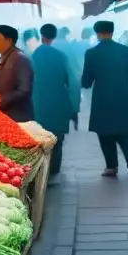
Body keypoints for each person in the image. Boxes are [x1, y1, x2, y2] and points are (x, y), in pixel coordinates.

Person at [82, 21, 128, 177]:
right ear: (112, 32)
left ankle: (111, 166)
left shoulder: (91, 53)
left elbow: (86, 82)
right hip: (121, 97)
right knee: (124, 131)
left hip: (101, 99)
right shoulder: (126, 51)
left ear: (97, 34)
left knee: (104, 132)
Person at [32, 24, 80, 176]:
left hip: (38, 103)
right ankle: (53, 171)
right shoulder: (61, 56)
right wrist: (74, 107)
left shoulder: (32, 56)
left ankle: (41, 171)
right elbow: (73, 82)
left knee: (40, 138)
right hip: (58, 102)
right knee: (57, 138)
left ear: (41, 35)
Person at [0, 25, 34, 122]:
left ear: (9, 40)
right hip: (3, 117)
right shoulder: (2, 57)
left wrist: (1, 100)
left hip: (18, 118)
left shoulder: (20, 58)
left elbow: (25, 90)